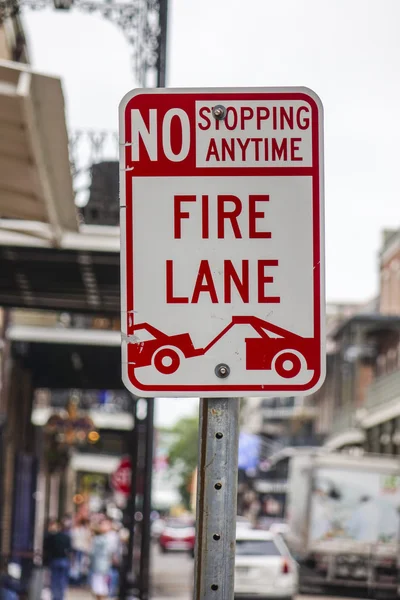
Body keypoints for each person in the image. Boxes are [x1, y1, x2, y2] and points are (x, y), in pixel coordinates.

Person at [43, 519, 72, 600]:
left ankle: (56, 596)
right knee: (62, 580)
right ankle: (60, 596)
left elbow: (46, 549)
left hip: (55, 560)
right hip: (64, 560)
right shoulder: (66, 537)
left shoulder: (51, 537)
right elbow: (69, 550)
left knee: (55, 579)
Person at [90, 519, 115, 600]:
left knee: (98, 585)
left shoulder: (98, 540)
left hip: (98, 566)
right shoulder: (106, 538)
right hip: (105, 565)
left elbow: (92, 552)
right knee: (103, 585)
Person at [71, 518, 92, 585]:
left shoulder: (77, 530)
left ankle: (78, 580)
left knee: (79, 565)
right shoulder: (85, 531)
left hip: (80, 549)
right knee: (80, 565)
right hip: (80, 549)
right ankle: (78, 580)